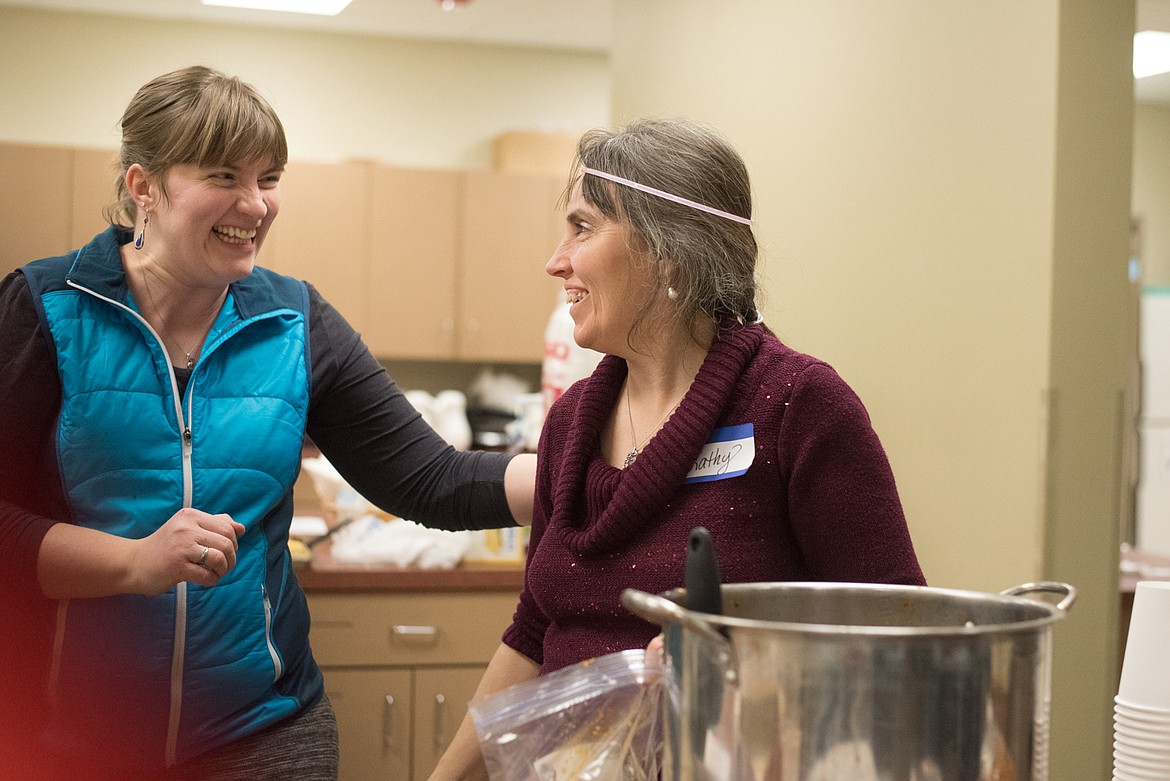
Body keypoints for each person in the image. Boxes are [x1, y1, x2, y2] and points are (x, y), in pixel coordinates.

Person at [0, 65, 535, 781]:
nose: (255, 204)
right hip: (67, 741)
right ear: (143, 187)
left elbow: (431, 478)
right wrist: (132, 562)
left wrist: (596, 473)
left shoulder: (296, 322)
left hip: (263, 736)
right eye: (224, 175)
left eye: (270, 178)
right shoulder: (42, 309)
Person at [427, 117, 926, 780]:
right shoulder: (571, 423)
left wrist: (752, 656)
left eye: (582, 227)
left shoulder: (797, 406)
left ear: (666, 251)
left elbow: (902, 642)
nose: (556, 260)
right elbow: (532, 629)